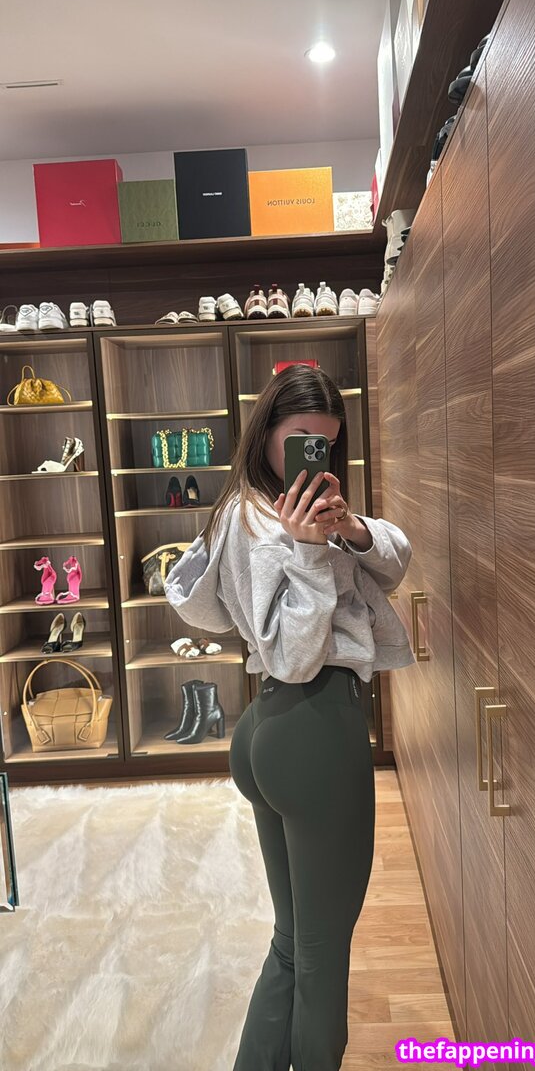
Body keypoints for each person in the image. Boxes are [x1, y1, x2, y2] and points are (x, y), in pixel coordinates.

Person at [165, 363, 414, 1071]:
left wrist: (348, 527)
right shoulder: (262, 524)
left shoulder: (278, 509)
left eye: (326, 443)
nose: (313, 453)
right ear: (267, 431)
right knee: (323, 952)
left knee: (295, 941)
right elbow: (293, 655)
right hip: (314, 725)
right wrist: (308, 551)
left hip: (275, 729)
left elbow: (394, 563)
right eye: (301, 437)